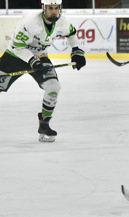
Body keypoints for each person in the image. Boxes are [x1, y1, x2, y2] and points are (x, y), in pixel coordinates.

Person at [0, 0, 86, 142]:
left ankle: (44, 124)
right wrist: (32, 61)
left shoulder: (63, 22)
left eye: (56, 8)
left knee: (53, 87)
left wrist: (76, 51)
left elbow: (71, 33)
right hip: (16, 56)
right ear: (43, 8)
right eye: (50, 8)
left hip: (40, 56)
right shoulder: (30, 22)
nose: (53, 11)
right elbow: (17, 47)